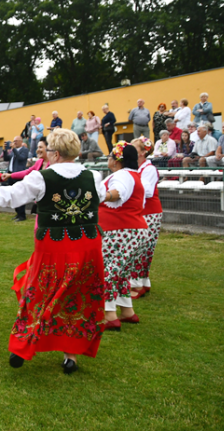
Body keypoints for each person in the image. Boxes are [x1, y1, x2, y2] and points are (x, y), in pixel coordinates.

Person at [0, 129, 106, 375]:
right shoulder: (94, 175)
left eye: (48, 150)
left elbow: (11, 195)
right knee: (77, 295)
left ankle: (23, 345)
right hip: (87, 246)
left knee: (38, 292)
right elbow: (98, 199)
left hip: (53, 247)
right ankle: (71, 356)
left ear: (56, 154)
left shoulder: (42, 177)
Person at [99, 142, 147, 331]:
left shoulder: (122, 175)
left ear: (118, 160)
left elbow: (119, 193)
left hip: (120, 230)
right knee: (120, 273)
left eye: (111, 155)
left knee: (108, 270)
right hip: (130, 230)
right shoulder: (133, 175)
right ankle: (127, 311)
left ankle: (109, 314)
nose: (108, 158)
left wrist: (98, 195)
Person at [131, 137, 162, 300]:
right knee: (143, 246)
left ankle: (138, 283)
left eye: (135, 149)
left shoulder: (148, 169)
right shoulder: (139, 168)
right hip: (144, 211)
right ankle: (144, 281)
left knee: (142, 247)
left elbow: (147, 191)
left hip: (149, 212)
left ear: (144, 152)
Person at [2, 136, 30, 222]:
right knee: (13, 195)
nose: (14, 142)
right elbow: (6, 158)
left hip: (18, 175)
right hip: (10, 174)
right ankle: (18, 213)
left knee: (19, 195)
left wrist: (13, 149)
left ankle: (22, 215)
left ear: (21, 141)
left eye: (16, 141)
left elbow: (21, 158)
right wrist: (4, 150)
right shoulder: (14, 151)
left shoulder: (24, 150)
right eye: (14, 141)